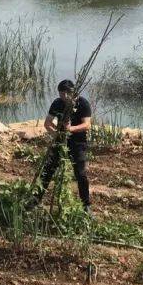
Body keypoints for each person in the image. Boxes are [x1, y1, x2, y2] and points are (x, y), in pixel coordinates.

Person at [32, 79, 93, 213]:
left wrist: (70, 129)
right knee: (47, 170)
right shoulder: (57, 103)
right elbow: (47, 123)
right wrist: (57, 133)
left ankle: (86, 205)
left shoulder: (82, 103)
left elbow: (87, 125)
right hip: (61, 141)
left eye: (65, 94)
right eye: (60, 94)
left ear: (71, 93)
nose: (63, 97)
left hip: (78, 142)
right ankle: (35, 200)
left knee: (81, 174)